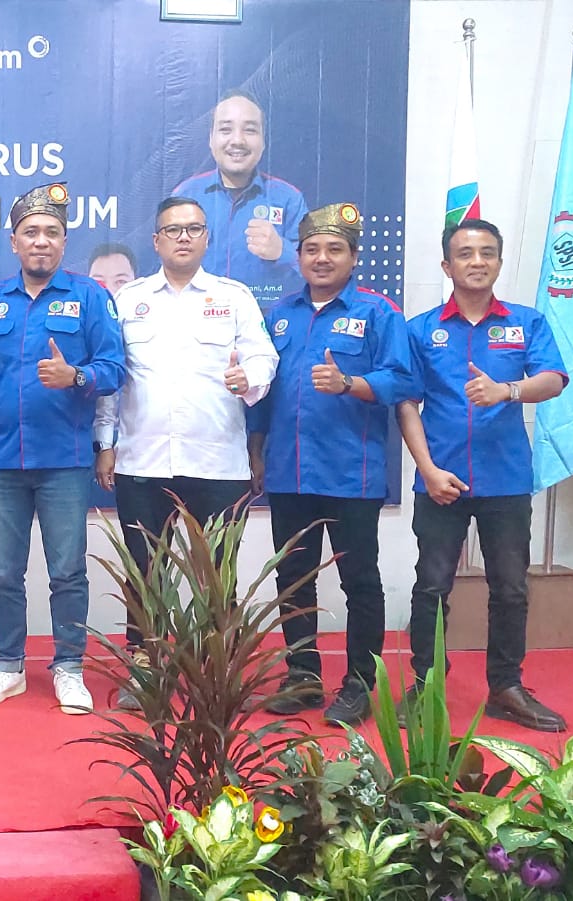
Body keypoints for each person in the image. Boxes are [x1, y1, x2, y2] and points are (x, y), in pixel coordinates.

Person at [93, 196, 278, 710]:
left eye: (193, 229)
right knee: (143, 571)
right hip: (142, 460)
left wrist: (249, 377)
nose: (182, 237)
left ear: (206, 238)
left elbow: (264, 355)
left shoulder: (233, 297)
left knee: (216, 574)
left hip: (216, 462)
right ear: (156, 240)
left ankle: (216, 672)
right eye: (172, 230)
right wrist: (105, 443)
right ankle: (146, 669)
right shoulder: (128, 299)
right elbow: (112, 379)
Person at [399, 218, 569, 733]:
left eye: (487, 252)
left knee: (511, 588)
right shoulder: (420, 329)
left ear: (498, 261)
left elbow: (553, 379)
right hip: (441, 480)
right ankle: (426, 684)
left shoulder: (526, 323)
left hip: (506, 480)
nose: (477, 261)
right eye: (466, 253)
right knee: (431, 587)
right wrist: (427, 470)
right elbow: (406, 403)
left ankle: (506, 687)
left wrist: (507, 391)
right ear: (447, 265)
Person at [249, 202, 414, 726]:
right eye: (312, 249)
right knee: (293, 578)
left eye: (334, 249)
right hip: (289, 471)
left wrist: (351, 384)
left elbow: (403, 379)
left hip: (350, 473)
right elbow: (265, 392)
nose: (322, 258)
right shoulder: (279, 314)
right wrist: (256, 450)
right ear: (298, 256)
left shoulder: (378, 313)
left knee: (359, 581)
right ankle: (302, 676)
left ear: (353, 257)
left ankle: (360, 684)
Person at [0, 183, 125, 714]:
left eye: (51, 232)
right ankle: (7, 666)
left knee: (67, 571)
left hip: (64, 461)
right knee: (3, 573)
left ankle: (69, 668)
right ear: (14, 242)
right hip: (0, 461)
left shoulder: (90, 297)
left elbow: (114, 368)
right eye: (30, 232)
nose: (41, 241)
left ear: (63, 241)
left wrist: (75, 375)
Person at [171, 89, 308, 306]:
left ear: (263, 141)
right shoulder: (185, 196)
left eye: (250, 130)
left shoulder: (289, 199)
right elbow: (166, 267)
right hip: (195, 319)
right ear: (211, 139)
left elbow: (315, 270)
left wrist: (283, 251)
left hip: (267, 322)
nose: (237, 140)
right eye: (226, 129)